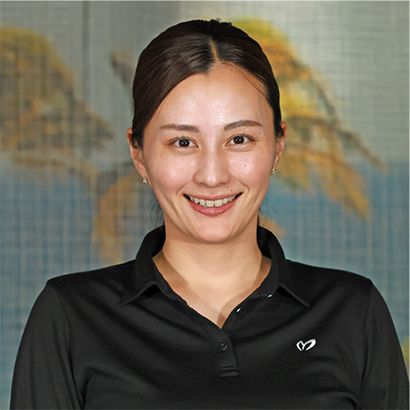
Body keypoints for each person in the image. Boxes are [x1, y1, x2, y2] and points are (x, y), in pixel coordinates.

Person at [10, 19, 408, 409]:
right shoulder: (70, 317)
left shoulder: (353, 312)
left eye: (239, 139)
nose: (212, 175)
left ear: (278, 145)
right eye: (183, 142)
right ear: (139, 154)